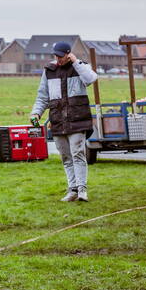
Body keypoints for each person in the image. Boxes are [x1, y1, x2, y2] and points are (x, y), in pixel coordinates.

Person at [30, 41, 98, 202]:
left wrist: (76, 62)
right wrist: (36, 113)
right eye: (56, 56)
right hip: (58, 120)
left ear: (68, 54)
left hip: (78, 119)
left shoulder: (80, 67)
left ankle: (82, 189)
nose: (58, 59)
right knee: (66, 157)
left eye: (61, 56)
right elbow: (42, 96)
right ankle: (72, 190)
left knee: (78, 154)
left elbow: (91, 79)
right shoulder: (49, 71)